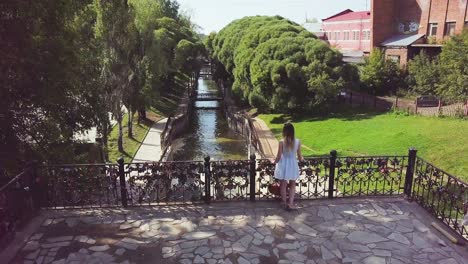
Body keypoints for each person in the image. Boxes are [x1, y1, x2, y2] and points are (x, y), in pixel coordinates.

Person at [273, 122, 304, 210]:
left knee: (283, 184)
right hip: (293, 164)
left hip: (283, 164)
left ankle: (284, 202)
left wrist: (274, 161)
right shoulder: (297, 141)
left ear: (284, 131)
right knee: (292, 184)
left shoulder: (281, 142)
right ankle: (291, 203)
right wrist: (302, 159)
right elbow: (299, 156)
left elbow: (278, 156)